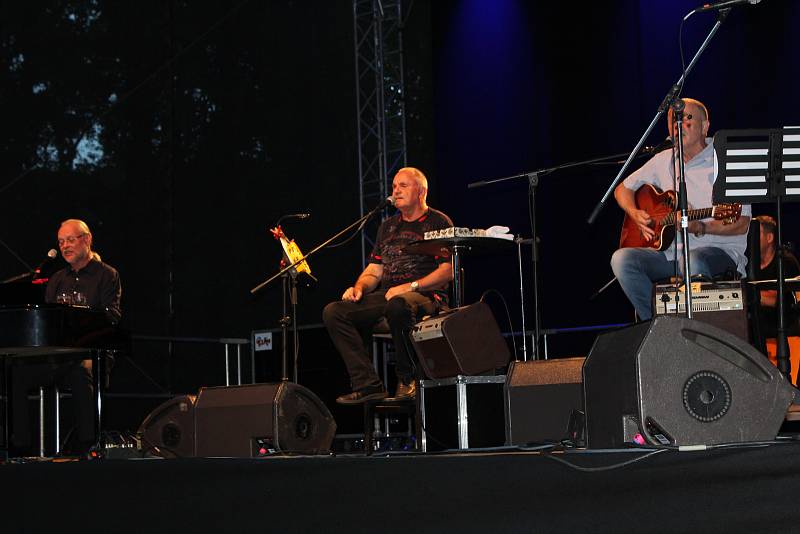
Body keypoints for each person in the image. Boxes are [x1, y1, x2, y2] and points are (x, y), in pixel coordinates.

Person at [610, 98, 752, 320]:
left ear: (705, 126)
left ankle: (698, 333)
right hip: (670, 254)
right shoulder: (662, 160)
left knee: (692, 260)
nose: (678, 125)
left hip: (718, 252)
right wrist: (634, 213)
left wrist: (701, 228)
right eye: (672, 120)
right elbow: (622, 189)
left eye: (687, 119)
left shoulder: (725, 160)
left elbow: (741, 224)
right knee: (622, 260)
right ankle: (660, 326)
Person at [323, 167, 453, 404]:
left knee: (398, 304)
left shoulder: (438, 221)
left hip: (425, 295)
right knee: (335, 312)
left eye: (403, 186)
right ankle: (368, 385)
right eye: (394, 186)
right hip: (389, 294)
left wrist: (410, 286)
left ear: (421, 191)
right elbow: (375, 270)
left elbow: (447, 271)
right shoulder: (387, 227)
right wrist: (359, 287)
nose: (396, 190)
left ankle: (407, 378)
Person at [11, 219, 122, 456]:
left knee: (82, 371)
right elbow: (49, 320)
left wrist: (80, 318)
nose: (65, 246)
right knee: (16, 373)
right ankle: (18, 447)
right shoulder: (57, 279)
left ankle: (87, 446)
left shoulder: (107, 275)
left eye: (70, 240)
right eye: (61, 242)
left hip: (92, 354)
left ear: (87, 239)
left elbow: (112, 316)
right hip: (60, 356)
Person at [752, 215, 800, 381]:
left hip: (785, 319)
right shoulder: (749, 263)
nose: (750, 239)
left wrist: (750, 295)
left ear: (769, 237)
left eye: (755, 234)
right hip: (758, 319)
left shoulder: (785, 261)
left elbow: (777, 300)